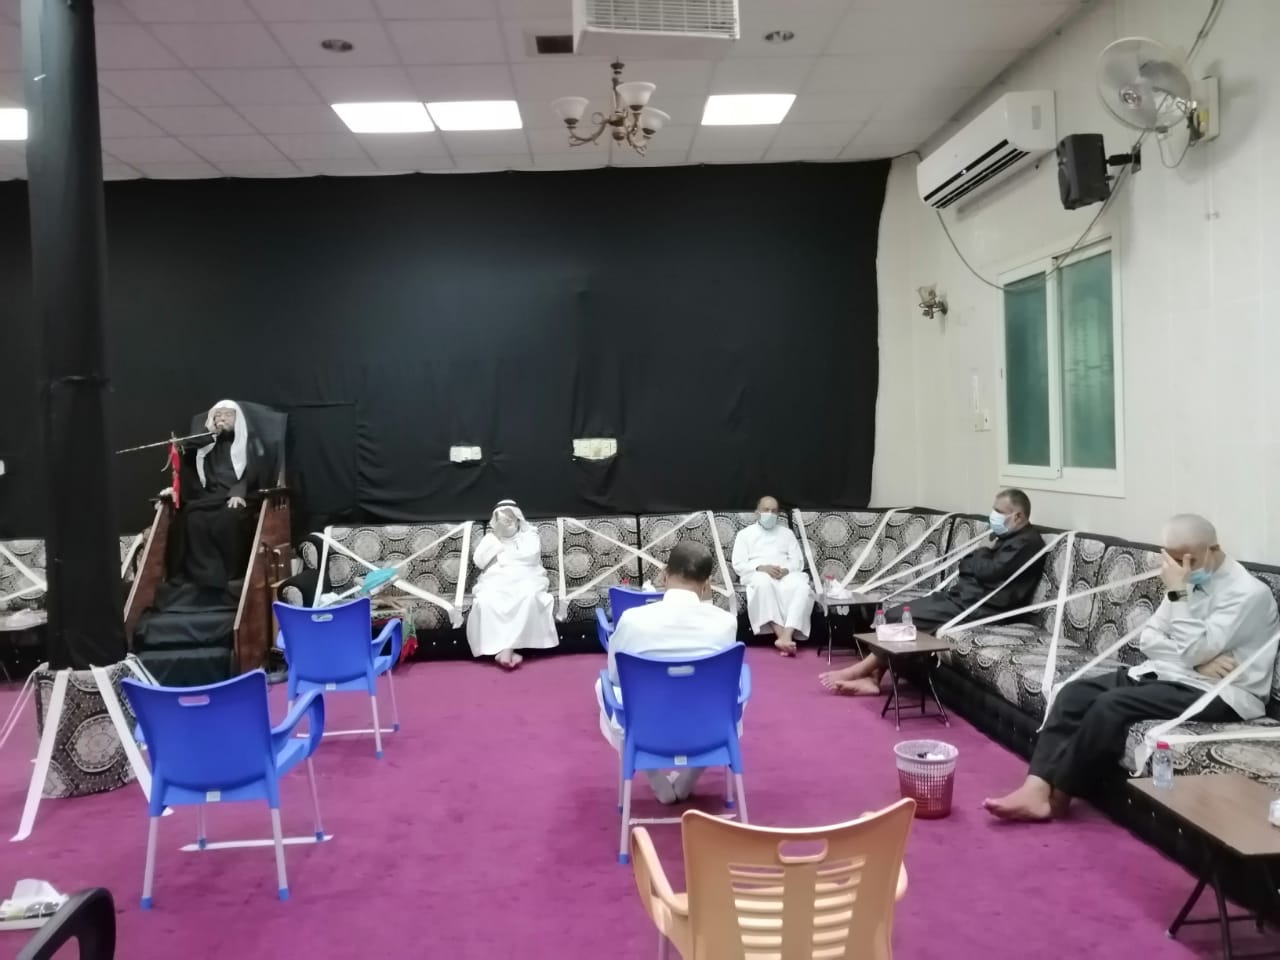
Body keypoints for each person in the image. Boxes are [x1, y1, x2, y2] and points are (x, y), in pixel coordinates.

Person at [984, 514, 1280, 821]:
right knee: (1073, 693)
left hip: (1224, 693)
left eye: (1190, 559)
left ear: (1214, 549)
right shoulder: (1185, 578)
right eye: (1174, 559)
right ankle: (1034, 787)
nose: (1182, 567)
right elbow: (1150, 639)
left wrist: (1181, 604)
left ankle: (1058, 797)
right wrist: (1198, 661)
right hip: (1172, 673)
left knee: (1110, 705)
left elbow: (1192, 648)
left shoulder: (1248, 594)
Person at [820, 488, 1045, 695]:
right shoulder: (1007, 537)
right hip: (962, 597)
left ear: (1018, 516)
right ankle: (873, 679)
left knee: (902, 620)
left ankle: (859, 671)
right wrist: (980, 558)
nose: (993, 516)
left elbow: (989, 572)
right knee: (893, 614)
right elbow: (967, 566)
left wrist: (982, 552)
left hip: (983, 608)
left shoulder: (1028, 543)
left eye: (999, 511)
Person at [597, 540, 739, 804]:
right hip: (709, 725)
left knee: (603, 685)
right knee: (735, 689)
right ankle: (689, 778)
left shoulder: (632, 619)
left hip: (646, 725)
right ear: (707, 584)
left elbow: (615, 677)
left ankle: (654, 777)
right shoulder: (726, 622)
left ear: (664, 574)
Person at [163, 400, 266, 592]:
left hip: (241, 495)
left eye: (227, 415)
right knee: (194, 519)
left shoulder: (250, 442)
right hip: (212, 496)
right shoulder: (208, 442)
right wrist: (207, 434)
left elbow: (256, 472)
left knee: (230, 517)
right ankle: (203, 575)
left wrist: (238, 492)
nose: (222, 419)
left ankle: (230, 573)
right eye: (218, 415)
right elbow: (187, 451)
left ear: (238, 419)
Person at [467, 500, 559, 669]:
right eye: (503, 519)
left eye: (510, 517)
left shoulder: (529, 535)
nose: (507, 521)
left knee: (528, 596)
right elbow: (479, 561)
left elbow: (530, 558)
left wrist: (502, 557)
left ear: (518, 517)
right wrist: (496, 541)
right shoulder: (490, 538)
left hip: (527, 577)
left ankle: (506, 649)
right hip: (495, 580)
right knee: (485, 601)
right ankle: (506, 650)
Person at [731, 496, 813, 656]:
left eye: (774, 511)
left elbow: (797, 561)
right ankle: (782, 636)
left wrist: (786, 570)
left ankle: (787, 635)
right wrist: (761, 568)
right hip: (757, 573)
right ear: (757, 512)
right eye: (766, 510)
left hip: (785, 574)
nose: (770, 513)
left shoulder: (787, 533)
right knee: (763, 583)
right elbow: (738, 564)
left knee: (802, 586)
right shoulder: (744, 534)